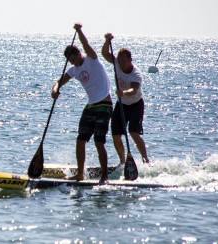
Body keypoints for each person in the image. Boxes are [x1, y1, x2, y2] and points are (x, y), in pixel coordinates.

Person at [51, 23, 113, 184]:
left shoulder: (91, 60)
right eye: (69, 61)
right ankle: (80, 174)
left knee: (99, 141)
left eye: (73, 59)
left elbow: (86, 45)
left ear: (79, 54)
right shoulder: (74, 70)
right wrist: (55, 90)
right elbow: (59, 81)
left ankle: (104, 176)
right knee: (80, 140)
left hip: (105, 105)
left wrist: (79, 31)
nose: (72, 63)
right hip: (91, 105)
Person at [101, 33, 150, 165]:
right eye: (119, 60)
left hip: (136, 104)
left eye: (124, 61)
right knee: (116, 134)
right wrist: (107, 41)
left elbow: (133, 90)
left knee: (133, 132)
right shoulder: (117, 63)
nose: (121, 63)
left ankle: (146, 160)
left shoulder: (136, 74)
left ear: (130, 60)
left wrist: (124, 92)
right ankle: (123, 162)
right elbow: (105, 54)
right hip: (121, 104)